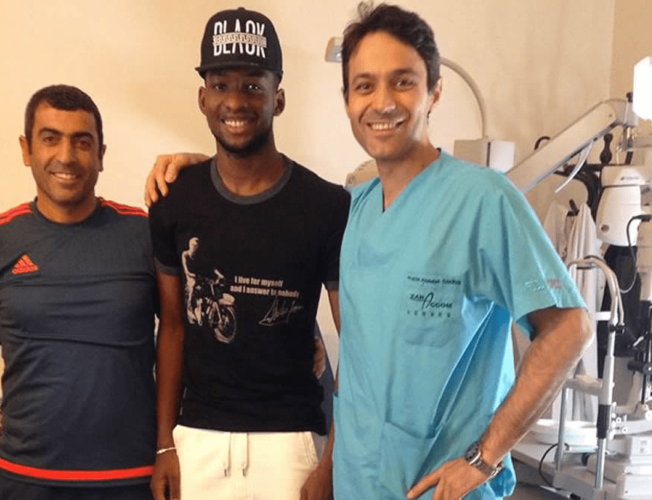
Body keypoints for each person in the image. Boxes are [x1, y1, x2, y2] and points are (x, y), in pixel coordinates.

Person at [332, 3, 593, 500]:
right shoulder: (354, 208)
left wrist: (483, 457)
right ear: (347, 100)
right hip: (357, 481)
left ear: (434, 90)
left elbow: (568, 328)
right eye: (364, 85)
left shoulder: (484, 200)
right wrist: (198, 169)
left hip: (444, 490)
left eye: (402, 82)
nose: (382, 103)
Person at [147, 7, 350, 500]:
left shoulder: (327, 206)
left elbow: (357, 344)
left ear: (278, 98)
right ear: (202, 98)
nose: (235, 101)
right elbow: (171, 328)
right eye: (220, 85)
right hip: (198, 441)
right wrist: (165, 445)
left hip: (292, 442)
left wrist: (332, 458)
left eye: (253, 85)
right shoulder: (174, 199)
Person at [0, 84, 157, 500]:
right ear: (26, 149)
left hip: (131, 477)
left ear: (101, 154)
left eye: (82, 142)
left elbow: (183, 334)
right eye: (50, 139)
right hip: (23, 478)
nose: (66, 156)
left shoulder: (145, 233)